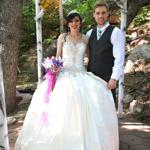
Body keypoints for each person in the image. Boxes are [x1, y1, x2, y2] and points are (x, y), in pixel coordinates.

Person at [15, 12, 119, 150]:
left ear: (80, 23)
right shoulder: (62, 38)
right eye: (71, 21)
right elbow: (58, 57)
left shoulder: (86, 39)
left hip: (81, 74)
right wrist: (53, 69)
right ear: (68, 24)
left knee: (95, 97)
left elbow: (91, 57)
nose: (74, 24)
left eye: (76, 21)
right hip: (64, 74)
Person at [86, 1, 125, 102]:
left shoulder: (116, 32)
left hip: (107, 79)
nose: (101, 16)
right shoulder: (89, 33)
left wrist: (114, 78)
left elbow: (119, 57)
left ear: (108, 14)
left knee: (108, 108)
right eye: (98, 13)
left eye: (103, 13)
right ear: (94, 15)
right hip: (91, 77)